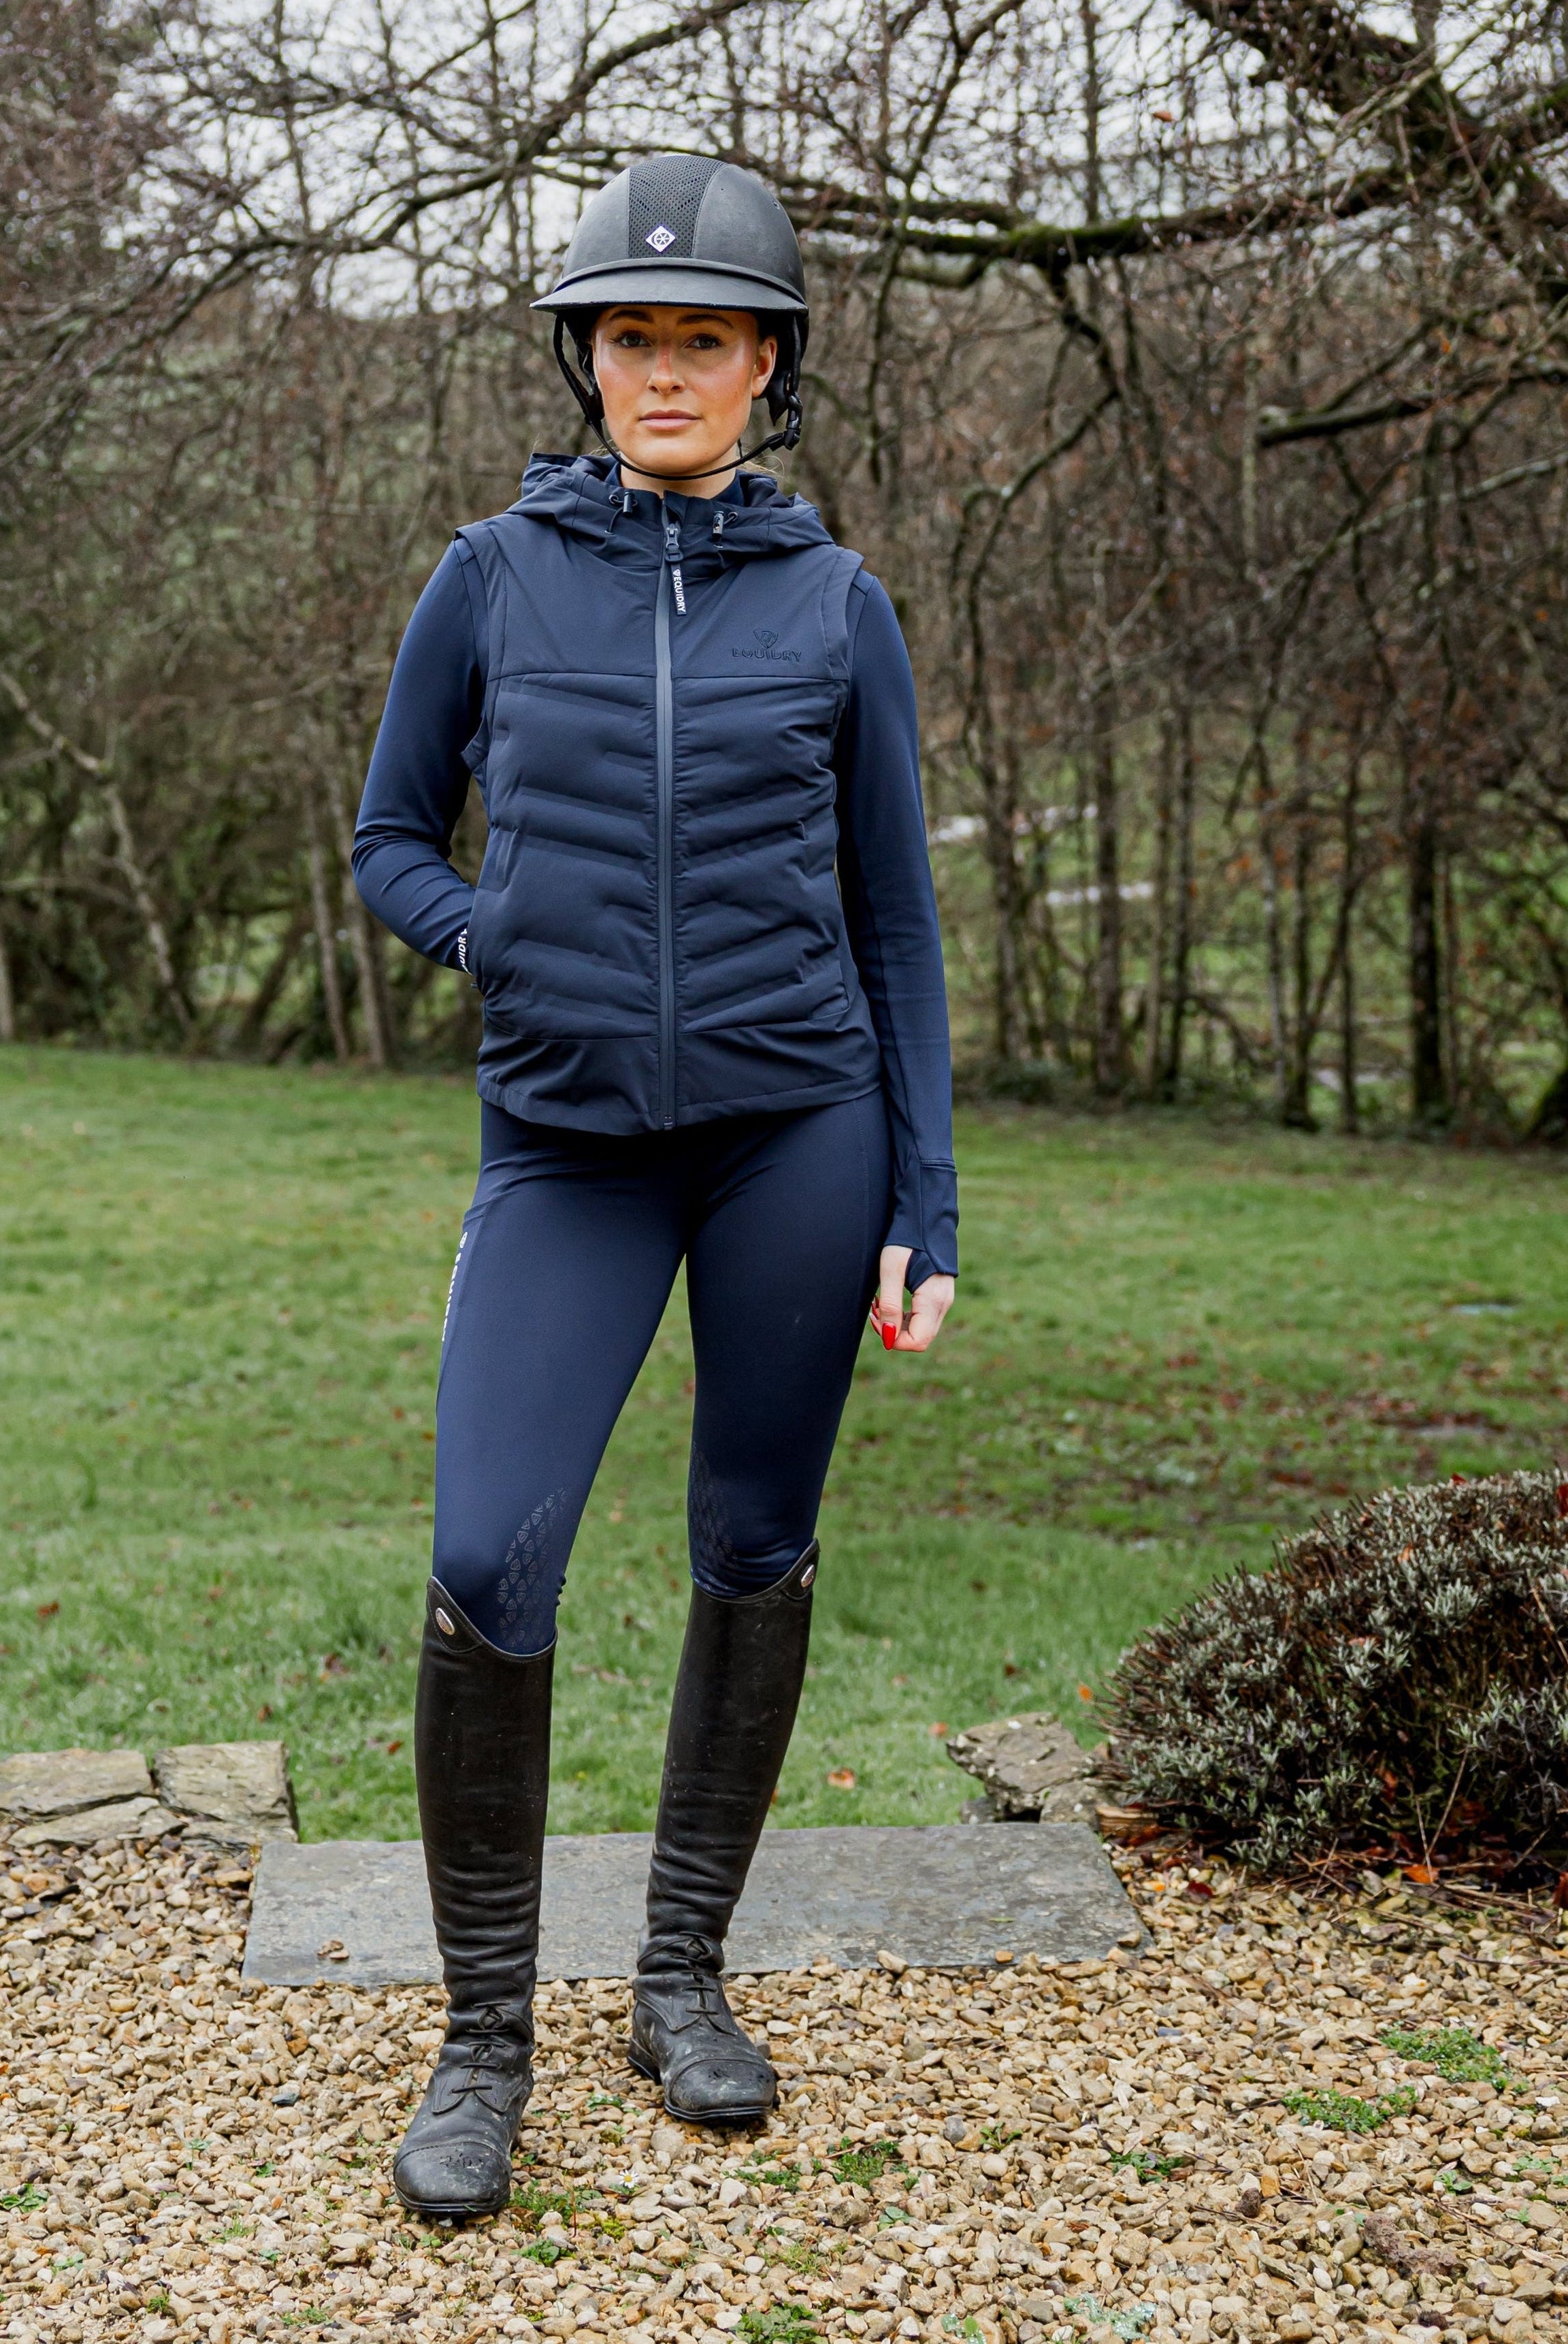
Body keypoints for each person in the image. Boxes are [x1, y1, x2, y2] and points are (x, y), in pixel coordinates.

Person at [351, 152, 958, 2222]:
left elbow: (898, 923)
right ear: (586, 359)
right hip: (568, 1146)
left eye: (706, 338)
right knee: (485, 1555)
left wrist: (926, 1197)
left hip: (801, 1136)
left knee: (753, 1540)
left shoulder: (836, 604)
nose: (668, 370)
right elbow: (388, 840)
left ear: (767, 363)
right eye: (633, 336)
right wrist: (495, 937)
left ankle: (680, 1975)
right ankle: (483, 2037)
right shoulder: (491, 578)